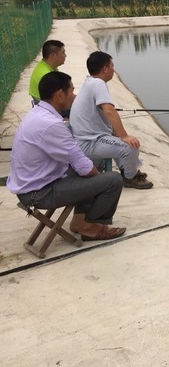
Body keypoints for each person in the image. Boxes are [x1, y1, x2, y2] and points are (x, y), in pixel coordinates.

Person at [7, 71, 126, 241]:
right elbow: (84, 167)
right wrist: (99, 180)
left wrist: (92, 176)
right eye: (71, 91)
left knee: (94, 161)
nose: (74, 96)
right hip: (40, 192)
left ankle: (79, 221)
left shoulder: (37, 113)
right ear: (59, 95)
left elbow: (79, 159)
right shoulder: (52, 125)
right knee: (113, 180)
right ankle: (90, 226)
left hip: (36, 182)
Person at [69, 51, 153, 190]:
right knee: (130, 146)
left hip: (89, 139)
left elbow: (103, 112)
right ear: (105, 69)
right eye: (112, 65)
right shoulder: (98, 84)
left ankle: (128, 171)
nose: (114, 69)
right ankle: (130, 178)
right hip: (89, 143)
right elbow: (109, 110)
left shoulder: (90, 82)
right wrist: (124, 135)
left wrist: (118, 133)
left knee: (119, 138)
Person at [29, 40, 67, 105]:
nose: (65, 55)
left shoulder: (49, 66)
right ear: (53, 55)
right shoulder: (45, 75)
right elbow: (57, 99)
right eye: (63, 52)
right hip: (47, 106)